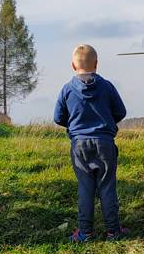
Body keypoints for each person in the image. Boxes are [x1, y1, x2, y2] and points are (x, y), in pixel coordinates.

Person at [53, 44, 128, 243]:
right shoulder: (107, 87)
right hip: (105, 143)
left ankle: (85, 232)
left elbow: (58, 117)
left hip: (79, 144)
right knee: (107, 187)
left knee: (85, 188)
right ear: (96, 64)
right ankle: (113, 231)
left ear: (72, 65)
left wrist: (75, 125)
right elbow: (121, 112)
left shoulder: (67, 89)